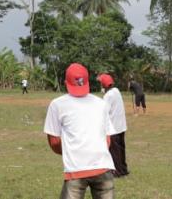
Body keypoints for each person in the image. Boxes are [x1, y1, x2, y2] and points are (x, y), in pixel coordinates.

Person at [44, 63, 115, 199]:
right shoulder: (101, 103)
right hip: (103, 167)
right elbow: (107, 140)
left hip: (76, 169)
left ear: (65, 83)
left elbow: (54, 142)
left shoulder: (57, 104)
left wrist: (74, 151)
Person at [98, 73, 129, 178]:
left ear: (104, 85)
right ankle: (123, 169)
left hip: (113, 128)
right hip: (121, 126)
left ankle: (117, 171)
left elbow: (103, 111)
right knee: (121, 149)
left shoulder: (108, 96)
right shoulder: (116, 91)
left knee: (114, 150)